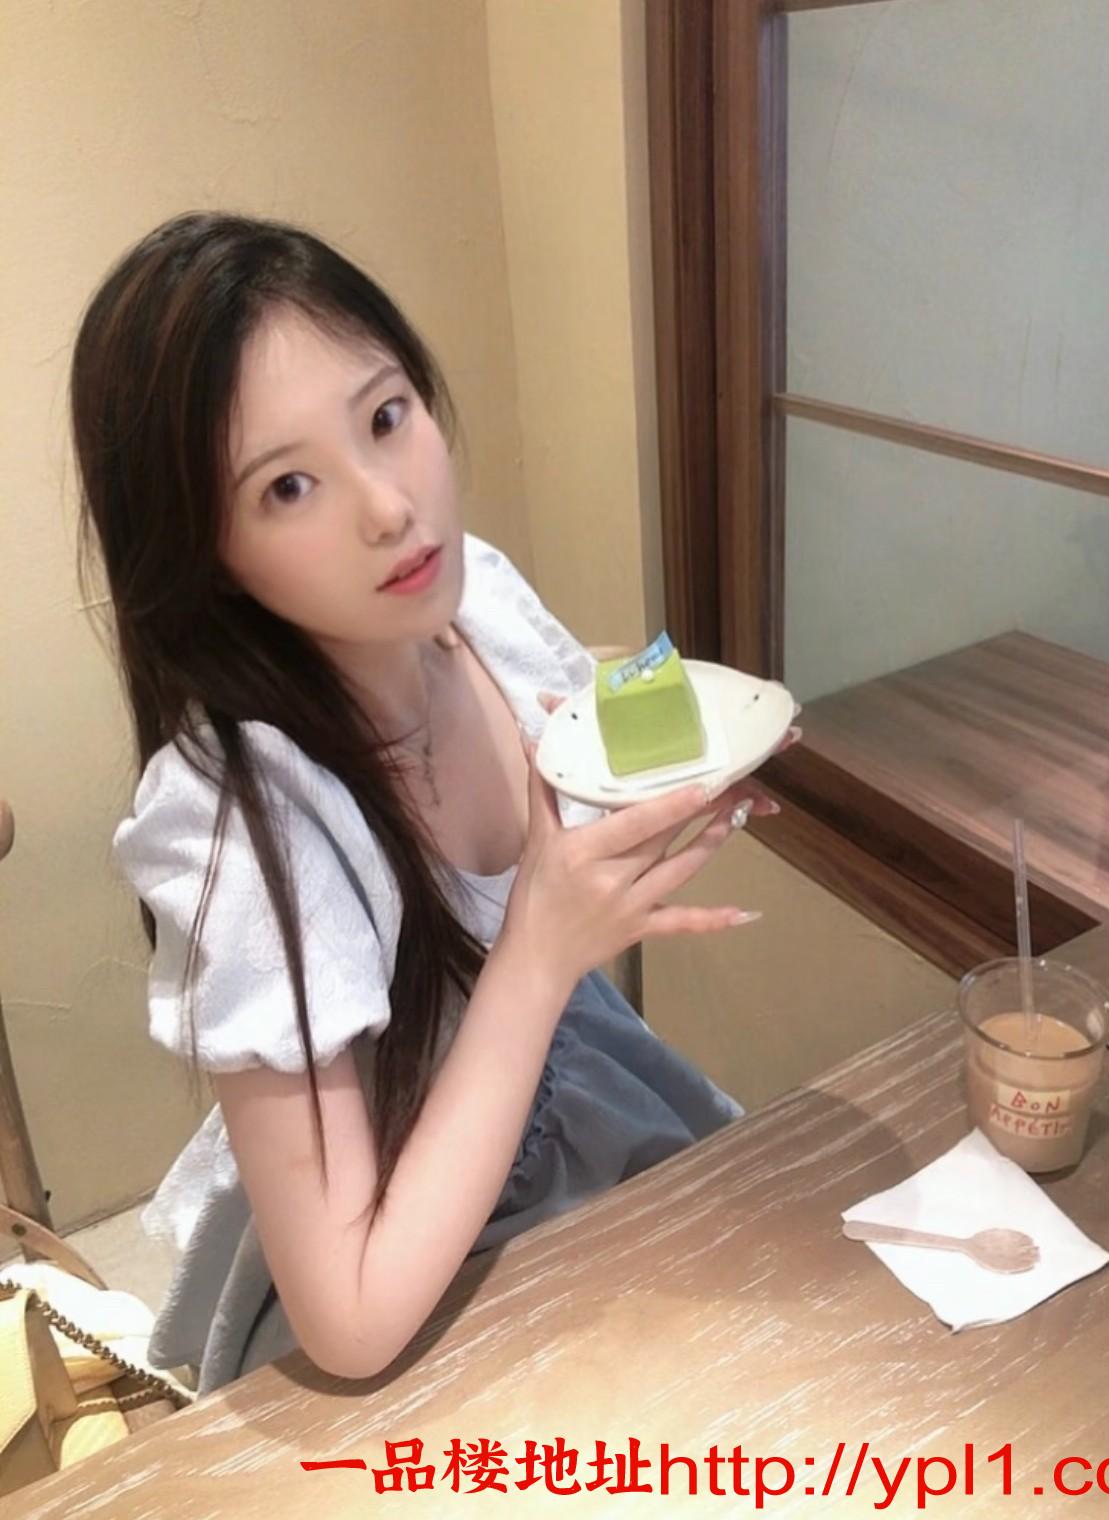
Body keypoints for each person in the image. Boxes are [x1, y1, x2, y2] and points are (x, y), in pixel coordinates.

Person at [69, 211, 789, 1394]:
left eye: (386, 417)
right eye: (288, 485)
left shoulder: (473, 601)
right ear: (207, 553)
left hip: (589, 1114)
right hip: (402, 1279)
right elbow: (350, 1320)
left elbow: (566, 765)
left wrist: (668, 787)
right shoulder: (247, 825)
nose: (390, 508)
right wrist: (543, 949)